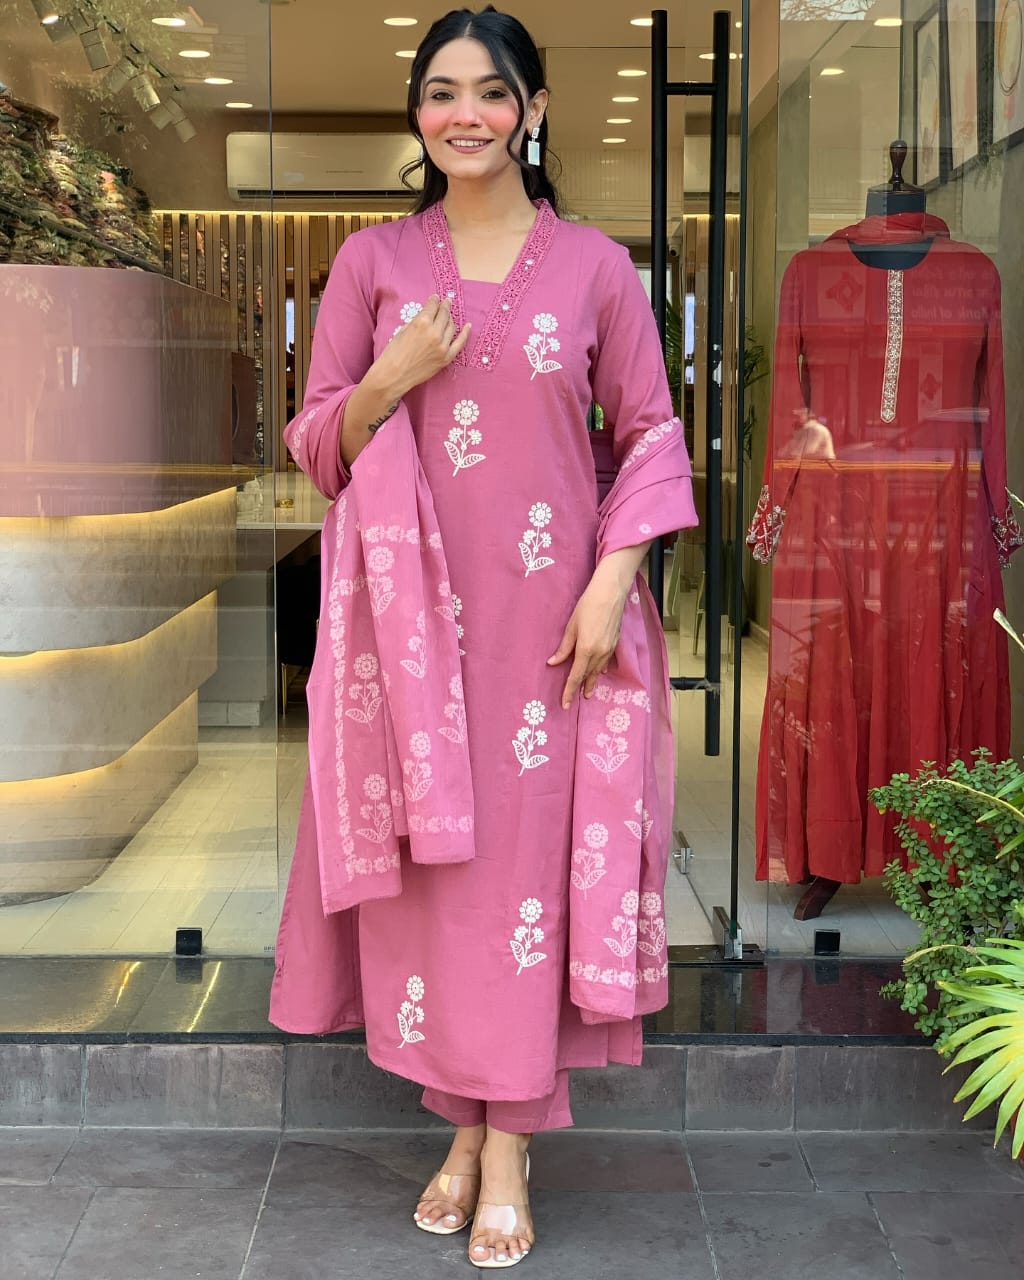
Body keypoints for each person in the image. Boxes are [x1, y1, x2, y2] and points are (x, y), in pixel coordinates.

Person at [269, 6, 696, 1268]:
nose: (466, 114)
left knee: (523, 883)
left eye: (492, 91)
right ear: (418, 113)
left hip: (553, 631)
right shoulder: (371, 263)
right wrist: (388, 377)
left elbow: (650, 434)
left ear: (533, 109)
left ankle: (502, 1147)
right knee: (442, 889)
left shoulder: (597, 269)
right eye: (442, 91)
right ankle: (467, 1129)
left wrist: (612, 585)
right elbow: (317, 444)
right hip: (408, 640)